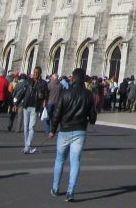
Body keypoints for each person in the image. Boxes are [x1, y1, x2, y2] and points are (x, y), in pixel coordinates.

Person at [50, 67, 97, 201]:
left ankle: (55, 188)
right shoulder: (88, 94)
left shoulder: (65, 93)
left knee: (60, 159)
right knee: (75, 161)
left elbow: (57, 113)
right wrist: (90, 120)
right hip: (80, 131)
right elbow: (93, 117)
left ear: (73, 78)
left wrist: (53, 130)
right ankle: (70, 192)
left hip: (64, 130)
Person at [16, 66, 49, 154]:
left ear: (40, 73)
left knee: (31, 127)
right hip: (26, 106)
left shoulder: (43, 83)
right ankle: (26, 145)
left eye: (37, 72)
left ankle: (28, 146)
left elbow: (47, 95)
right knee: (25, 127)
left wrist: (43, 97)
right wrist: (16, 103)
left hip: (35, 107)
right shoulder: (29, 81)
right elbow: (23, 92)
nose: (35, 74)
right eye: (34, 72)